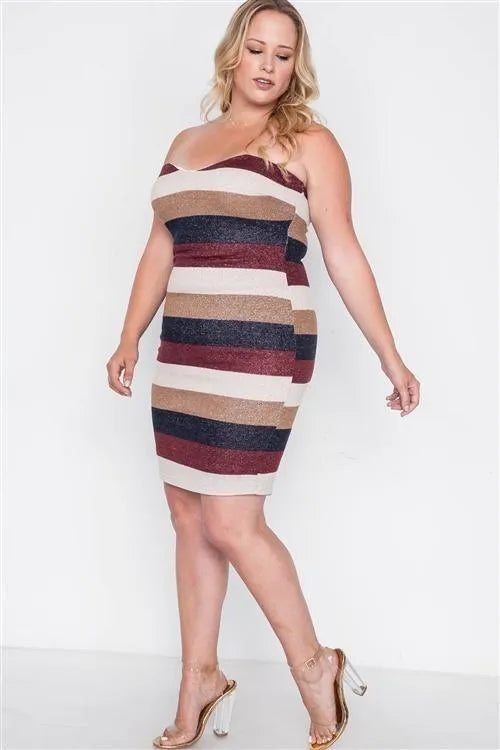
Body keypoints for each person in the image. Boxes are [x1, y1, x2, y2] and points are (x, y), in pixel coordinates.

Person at [106, 0, 421, 748]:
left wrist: (390, 353)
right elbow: (162, 246)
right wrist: (129, 336)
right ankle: (200, 680)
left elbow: (342, 250)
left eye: (283, 55)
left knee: (231, 520)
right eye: (257, 49)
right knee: (188, 514)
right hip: (186, 345)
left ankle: (315, 667)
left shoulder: (308, 142)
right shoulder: (185, 142)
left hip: (263, 344)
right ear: (233, 53)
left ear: (295, 67)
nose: (268, 66)